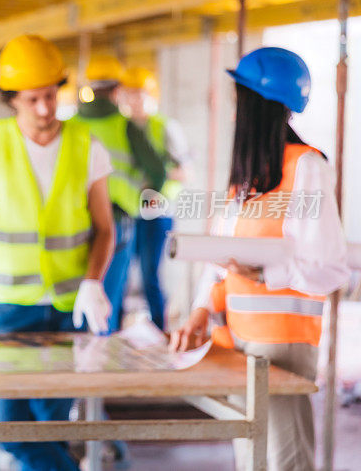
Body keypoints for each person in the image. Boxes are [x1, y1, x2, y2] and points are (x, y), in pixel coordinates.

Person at [170, 47, 350, 471]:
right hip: (240, 343)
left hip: (283, 345)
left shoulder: (307, 168)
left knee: (284, 462)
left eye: (238, 104)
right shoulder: (248, 180)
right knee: (251, 459)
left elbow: (329, 266)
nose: (234, 117)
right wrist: (201, 310)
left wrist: (266, 273)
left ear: (258, 107)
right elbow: (222, 261)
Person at [0, 34, 115, 471]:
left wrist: (94, 281)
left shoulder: (86, 145)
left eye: (50, 96)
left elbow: (105, 228)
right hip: (9, 310)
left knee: (48, 427)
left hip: (65, 308)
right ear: (12, 99)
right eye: (33, 99)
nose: (45, 108)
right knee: (7, 427)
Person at [72, 57, 165, 333]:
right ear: (116, 91)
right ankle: (102, 358)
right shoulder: (126, 126)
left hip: (76, 220)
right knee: (107, 298)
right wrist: (141, 202)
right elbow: (157, 172)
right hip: (117, 220)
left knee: (76, 297)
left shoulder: (71, 126)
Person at [117, 66, 190, 331]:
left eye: (139, 94)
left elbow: (185, 172)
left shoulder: (164, 127)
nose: (133, 100)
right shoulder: (119, 128)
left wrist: (157, 174)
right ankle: (116, 332)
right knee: (120, 276)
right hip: (127, 212)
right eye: (129, 94)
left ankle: (160, 331)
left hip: (157, 213)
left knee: (151, 276)